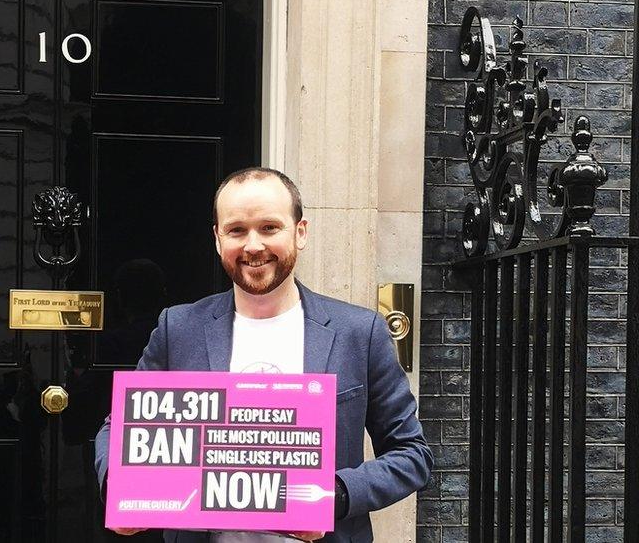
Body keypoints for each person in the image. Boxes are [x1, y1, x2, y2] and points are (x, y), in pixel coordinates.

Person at [93, 168, 433, 543]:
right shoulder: (179, 327)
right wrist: (118, 485)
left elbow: (411, 454)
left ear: (300, 232)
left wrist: (333, 496)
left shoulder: (359, 332)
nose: (253, 245)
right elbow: (119, 427)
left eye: (270, 227)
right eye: (237, 230)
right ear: (217, 239)